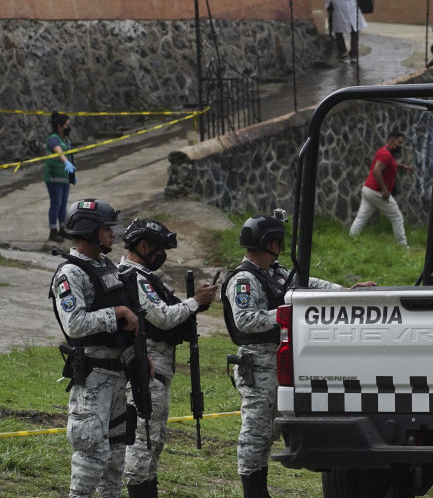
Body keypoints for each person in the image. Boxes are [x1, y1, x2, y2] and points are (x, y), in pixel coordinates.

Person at [223, 211, 375, 497]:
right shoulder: (244, 280)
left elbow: (312, 286)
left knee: (273, 428)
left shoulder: (277, 273)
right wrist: (286, 314)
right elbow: (245, 319)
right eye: (278, 240)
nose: (280, 246)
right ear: (268, 242)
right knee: (256, 430)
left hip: (280, 360)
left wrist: (347, 292)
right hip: (257, 362)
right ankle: (253, 491)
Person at [49, 199, 143, 498]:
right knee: (91, 455)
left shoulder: (106, 266)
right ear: (89, 232)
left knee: (116, 457)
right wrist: (116, 313)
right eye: (106, 229)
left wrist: (141, 357)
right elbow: (74, 323)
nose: (113, 235)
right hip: (93, 375)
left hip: (118, 373)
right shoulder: (70, 273)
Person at [119, 218, 218, 498]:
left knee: (154, 438)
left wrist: (194, 306)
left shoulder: (145, 277)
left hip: (158, 369)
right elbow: (162, 318)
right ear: (142, 245)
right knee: (143, 438)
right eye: (159, 248)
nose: (162, 256)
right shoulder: (133, 277)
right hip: (146, 367)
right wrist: (194, 302)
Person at [349, 130, 413, 247]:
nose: (401, 146)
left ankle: (352, 241)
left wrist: (402, 166)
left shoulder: (384, 151)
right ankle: (402, 247)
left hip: (368, 190)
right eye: (399, 143)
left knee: (360, 218)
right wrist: (384, 190)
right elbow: (376, 171)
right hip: (376, 192)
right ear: (392, 140)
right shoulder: (386, 155)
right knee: (397, 217)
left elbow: (389, 164)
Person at [44, 111, 75, 242]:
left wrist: (72, 174)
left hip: (64, 177)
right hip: (54, 177)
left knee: (63, 205)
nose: (69, 127)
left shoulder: (65, 139)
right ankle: (53, 231)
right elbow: (59, 152)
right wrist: (66, 162)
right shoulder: (53, 139)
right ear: (60, 126)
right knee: (55, 204)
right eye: (67, 125)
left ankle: (62, 228)